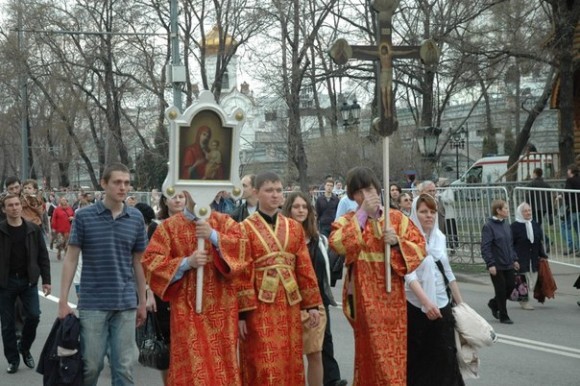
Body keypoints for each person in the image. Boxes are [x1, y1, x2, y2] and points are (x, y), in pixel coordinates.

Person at [329, 166, 425, 385]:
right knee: (369, 356)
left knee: (390, 357)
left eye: (370, 189)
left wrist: (398, 244)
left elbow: (420, 248)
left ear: (378, 190)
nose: (367, 195)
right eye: (360, 192)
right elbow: (337, 244)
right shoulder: (348, 221)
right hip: (363, 299)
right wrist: (362, 215)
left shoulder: (396, 219)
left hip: (392, 300)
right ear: (353, 196)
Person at [142, 190, 249, 385]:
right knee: (192, 364)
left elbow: (243, 253)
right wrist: (185, 263)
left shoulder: (225, 223)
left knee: (222, 364)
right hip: (186, 308)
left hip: (222, 308)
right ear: (185, 191)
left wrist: (214, 236)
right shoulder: (168, 227)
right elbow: (151, 262)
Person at [58, 163, 148, 386]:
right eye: (117, 182)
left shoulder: (136, 218)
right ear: (104, 183)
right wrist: (63, 300)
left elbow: (139, 263)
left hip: (125, 302)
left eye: (127, 183)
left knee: (124, 368)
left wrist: (143, 301)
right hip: (93, 302)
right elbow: (71, 258)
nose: (123, 188)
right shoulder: (84, 217)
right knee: (91, 365)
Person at [238, 171, 322, 386]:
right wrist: (242, 313)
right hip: (259, 307)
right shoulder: (243, 228)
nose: (275, 195)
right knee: (263, 362)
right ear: (256, 193)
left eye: (278, 190)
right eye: (269, 191)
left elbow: (304, 267)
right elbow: (241, 273)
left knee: (290, 360)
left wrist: (312, 304)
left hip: (289, 305)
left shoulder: (293, 227)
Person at [282, 192, 347, 386]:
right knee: (290, 354)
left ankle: (331, 380)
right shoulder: (282, 239)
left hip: (316, 300)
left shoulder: (319, 240)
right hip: (290, 301)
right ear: (288, 210)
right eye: (296, 206)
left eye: (304, 207)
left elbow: (325, 269)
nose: (301, 210)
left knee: (318, 350)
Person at [406, 193, 464, 386]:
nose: (429, 216)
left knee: (446, 359)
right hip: (417, 308)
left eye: (432, 211)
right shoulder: (407, 239)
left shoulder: (440, 238)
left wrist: (461, 304)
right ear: (415, 213)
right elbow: (409, 275)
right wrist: (426, 303)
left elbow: (448, 271)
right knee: (421, 362)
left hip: (442, 306)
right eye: (423, 212)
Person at [0, 193, 51, 374]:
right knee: (7, 325)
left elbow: (43, 256)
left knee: (34, 315)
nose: (14, 208)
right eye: (10, 205)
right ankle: (13, 360)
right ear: (4, 209)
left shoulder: (32, 229)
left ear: (21, 206)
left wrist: (46, 280)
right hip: (5, 283)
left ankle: (25, 347)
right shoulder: (1, 230)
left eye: (16, 204)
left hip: (27, 281)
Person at [143, 192, 185, 385]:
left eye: (181, 196)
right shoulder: (157, 226)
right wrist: (148, 292)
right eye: (173, 196)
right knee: (167, 344)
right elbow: (149, 262)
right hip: (164, 291)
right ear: (165, 200)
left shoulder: (194, 224)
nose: (177, 200)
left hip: (187, 292)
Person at [481, 199, 519, 324]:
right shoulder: (488, 226)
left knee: (511, 286)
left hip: (508, 263)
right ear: (498, 210)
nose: (508, 210)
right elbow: (485, 247)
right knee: (501, 290)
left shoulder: (506, 225)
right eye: (506, 208)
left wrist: (514, 259)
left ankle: (493, 303)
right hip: (496, 265)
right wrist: (490, 263)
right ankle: (503, 315)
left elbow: (510, 244)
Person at [511, 202, 549, 311]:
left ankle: (521, 296)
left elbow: (538, 241)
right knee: (524, 279)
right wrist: (514, 259)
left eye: (529, 210)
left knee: (533, 280)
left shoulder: (535, 224)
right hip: (521, 257)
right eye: (525, 211)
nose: (528, 213)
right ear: (520, 213)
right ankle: (524, 301)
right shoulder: (515, 227)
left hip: (533, 257)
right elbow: (510, 244)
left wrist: (543, 255)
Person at [527, 168, 553, 250]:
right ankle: (543, 241)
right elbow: (549, 199)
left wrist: (527, 207)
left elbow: (528, 196)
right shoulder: (546, 185)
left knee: (534, 226)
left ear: (535, 174)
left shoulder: (532, 184)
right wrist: (550, 211)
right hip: (544, 208)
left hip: (534, 208)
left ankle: (546, 240)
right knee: (536, 226)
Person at [561, 164, 580, 256]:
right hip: (578, 208)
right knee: (578, 228)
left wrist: (561, 196)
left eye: (568, 170)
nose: (567, 172)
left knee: (564, 226)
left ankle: (572, 246)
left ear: (571, 171)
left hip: (573, 207)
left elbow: (567, 192)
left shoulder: (570, 180)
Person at [438, 179, 459, 251]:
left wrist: (443, 198)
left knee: (451, 230)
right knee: (446, 230)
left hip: (449, 214)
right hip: (444, 214)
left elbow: (451, 200)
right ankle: (449, 245)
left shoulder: (449, 190)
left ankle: (453, 245)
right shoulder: (441, 191)